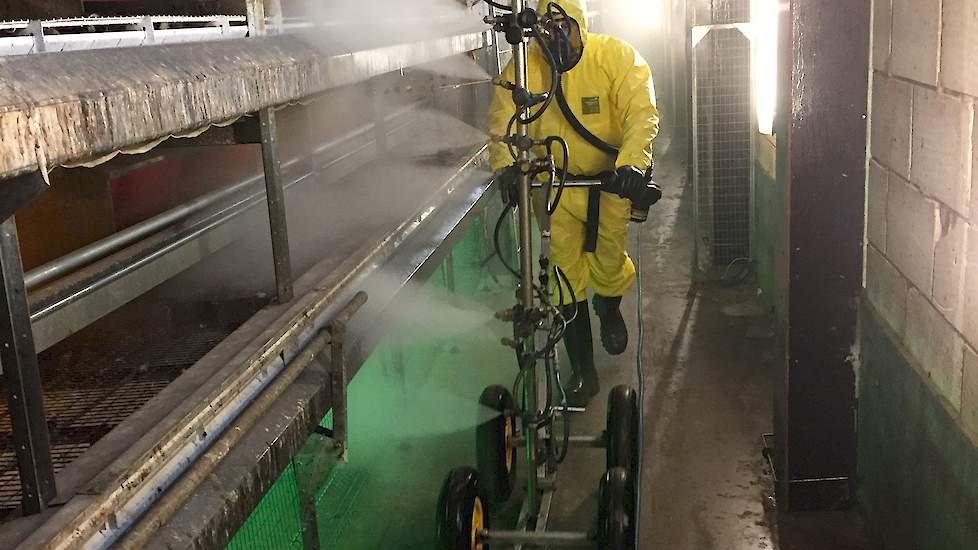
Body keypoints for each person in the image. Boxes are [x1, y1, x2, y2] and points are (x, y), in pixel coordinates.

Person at [488, 0, 659, 406]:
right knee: (563, 281)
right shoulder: (525, 67)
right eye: (545, 30)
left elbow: (642, 114)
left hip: (608, 184)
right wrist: (506, 166)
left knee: (609, 259)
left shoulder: (617, 58)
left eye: (562, 27)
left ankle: (610, 309)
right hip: (554, 190)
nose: (554, 38)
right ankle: (584, 371)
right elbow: (502, 118)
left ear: (579, 24)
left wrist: (633, 165)